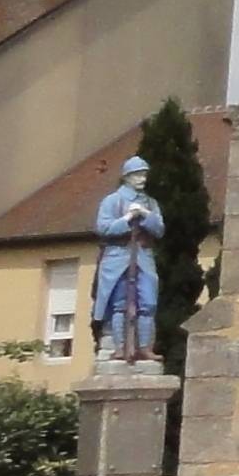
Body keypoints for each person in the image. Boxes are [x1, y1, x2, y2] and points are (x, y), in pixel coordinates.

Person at [91, 154, 164, 364]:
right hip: (118, 257)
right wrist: (127, 219)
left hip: (143, 255)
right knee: (120, 304)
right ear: (127, 177)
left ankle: (144, 348)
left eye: (144, 174)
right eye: (138, 175)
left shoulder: (150, 202)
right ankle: (120, 347)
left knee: (148, 303)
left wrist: (144, 214)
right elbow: (104, 228)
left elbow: (159, 229)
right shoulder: (112, 201)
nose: (142, 178)